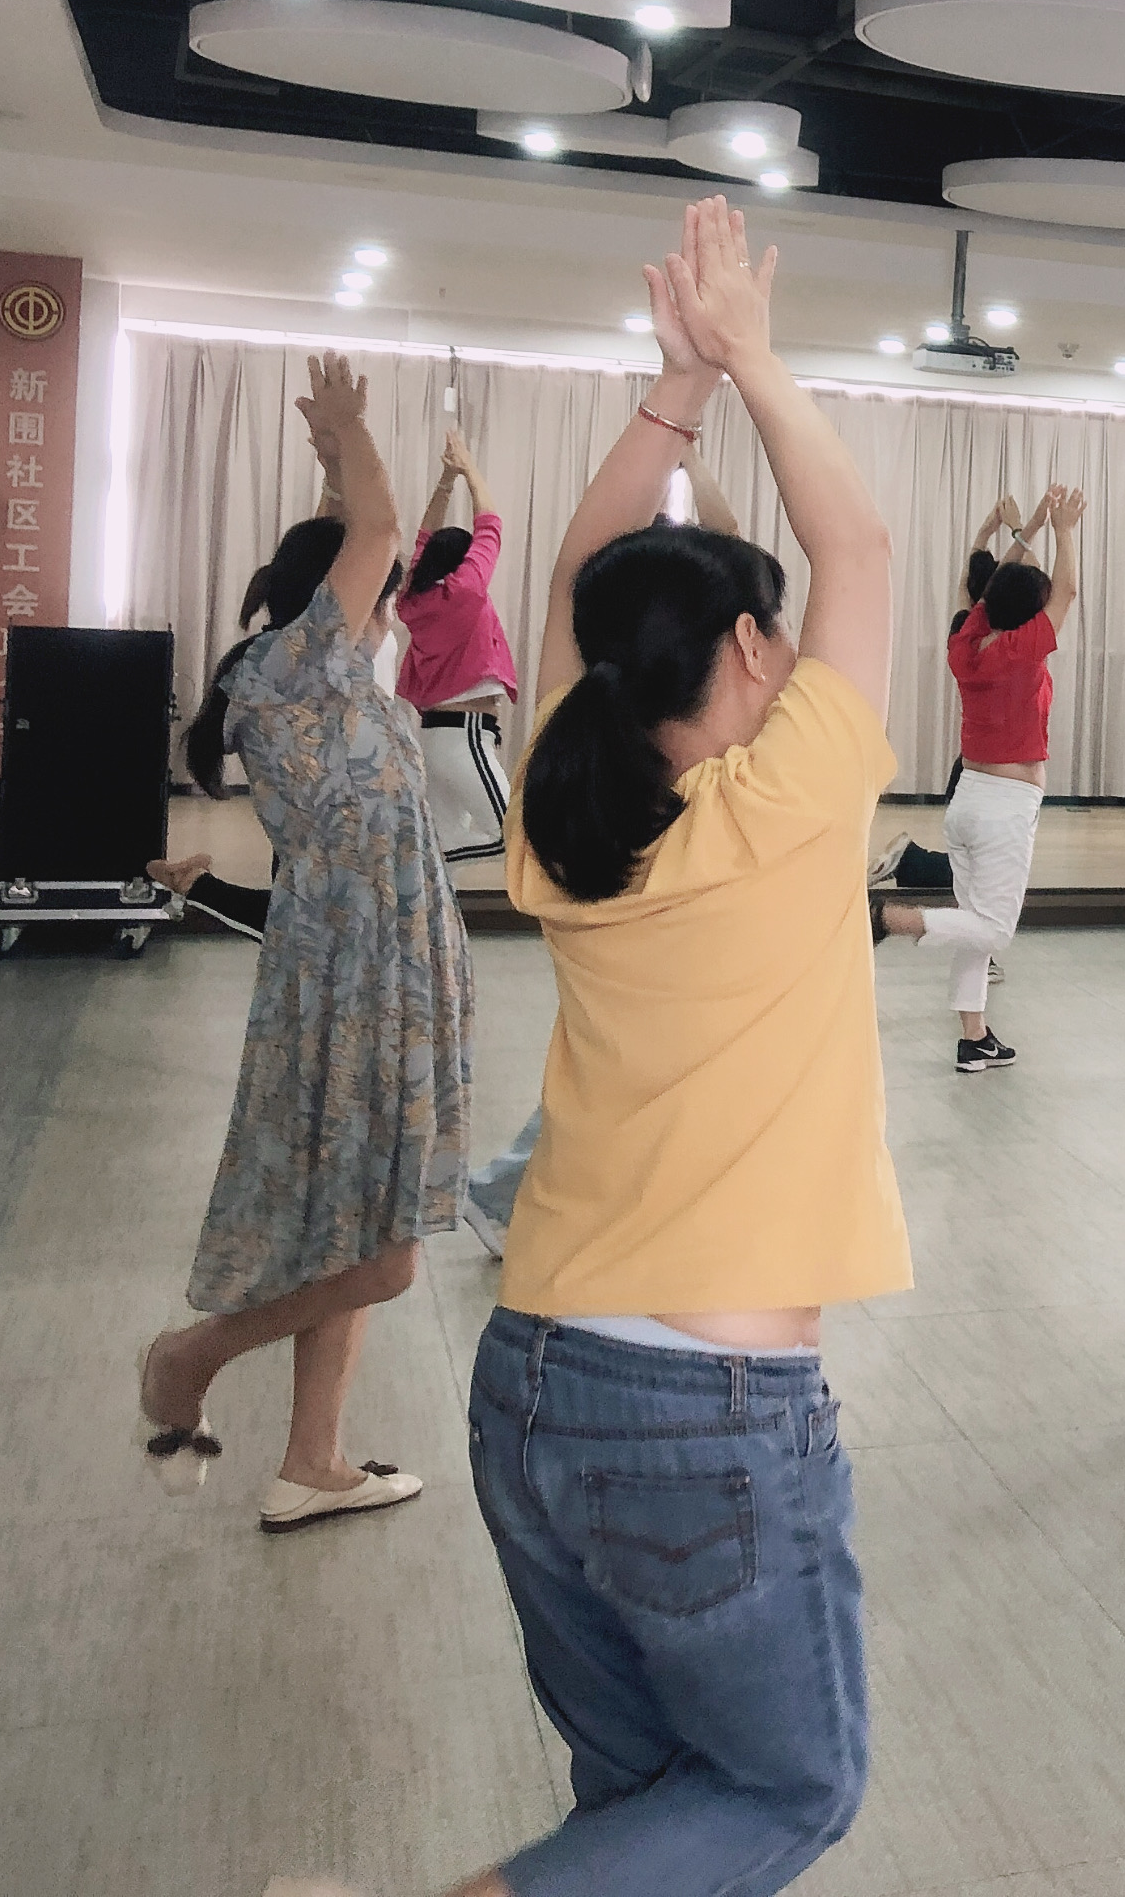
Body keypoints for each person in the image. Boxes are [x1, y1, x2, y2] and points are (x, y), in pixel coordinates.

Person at [387, 196, 903, 1897]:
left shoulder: (564, 828)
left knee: (644, 1801)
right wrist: (741, 353)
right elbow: (861, 551)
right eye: (776, 637)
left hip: (532, 1380)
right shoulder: (779, 812)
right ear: (747, 650)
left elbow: (573, 581)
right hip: (700, 1409)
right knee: (782, 1791)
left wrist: (682, 387)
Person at [133, 353, 471, 1534]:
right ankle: (188, 1360)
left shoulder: (314, 674)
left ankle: (311, 1463)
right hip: (358, 988)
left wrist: (333, 466)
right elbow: (374, 530)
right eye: (374, 589)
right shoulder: (305, 667)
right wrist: (349, 438)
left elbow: (358, 534)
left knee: (353, 1228)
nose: (387, 602)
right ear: (338, 598)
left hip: (367, 975)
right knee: (385, 1255)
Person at [457, 456, 744, 1259]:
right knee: (634, 1061)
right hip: (666, 877)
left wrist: (681, 454)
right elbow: (737, 546)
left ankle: (510, 1192)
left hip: (657, 876)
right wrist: (690, 455)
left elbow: (720, 546)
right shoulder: (662, 683)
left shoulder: (604, 665)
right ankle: (504, 1192)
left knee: (623, 1059)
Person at [878, 483, 1085, 1072]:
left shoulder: (966, 643)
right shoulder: (1022, 652)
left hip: (968, 799)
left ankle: (975, 1037)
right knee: (992, 930)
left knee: (974, 924)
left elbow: (990, 592)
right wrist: (1062, 530)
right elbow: (1067, 590)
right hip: (1003, 808)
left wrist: (1027, 531)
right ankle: (886, 919)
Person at [395, 423, 520, 872]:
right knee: (512, 835)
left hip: (437, 735)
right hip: (465, 735)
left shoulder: (412, 599)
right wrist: (468, 469)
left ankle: (422, 884)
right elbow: (490, 526)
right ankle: (410, 864)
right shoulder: (463, 593)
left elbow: (422, 538)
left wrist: (446, 481)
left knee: (442, 838)